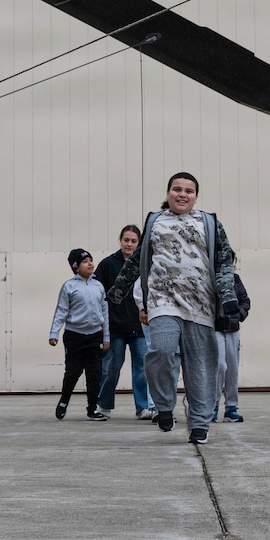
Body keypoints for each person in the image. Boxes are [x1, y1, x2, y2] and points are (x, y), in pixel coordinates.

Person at [107, 172, 242, 445]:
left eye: (188, 190)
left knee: (200, 367)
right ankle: (165, 404)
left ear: (196, 196)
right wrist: (120, 288)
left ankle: (200, 423)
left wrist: (227, 296)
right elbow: (139, 259)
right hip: (162, 300)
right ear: (168, 193)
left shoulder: (209, 222)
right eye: (177, 189)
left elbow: (224, 260)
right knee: (161, 351)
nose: (182, 194)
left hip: (200, 305)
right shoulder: (155, 221)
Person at [95, 225, 157, 419]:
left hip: (140, 328)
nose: (129, 244)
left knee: (142, 369)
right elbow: (98, 294)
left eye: (133, 241)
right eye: (126, 240)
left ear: (139, 243)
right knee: (110, 368)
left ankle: (143, 408)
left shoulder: (147, 264)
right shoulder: (107, 265)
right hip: (115, 328)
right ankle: (103, 405)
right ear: (120, 240)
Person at [50, 248, 111, 420]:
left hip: (95, 335)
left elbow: (104, 312)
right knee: (73, 371)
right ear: (76, 267)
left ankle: (92, 408)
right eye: (85, 262)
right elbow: (61, 311)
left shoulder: (98, 286)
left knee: (95, 373)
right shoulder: (69, 286)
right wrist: (54, 333)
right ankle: (64, 400)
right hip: (74, 335)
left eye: (91, 260)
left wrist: (106, 337)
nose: (90, 263)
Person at [214, 269, 251, 423]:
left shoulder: (235, 279)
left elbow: (245, 302)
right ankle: (212, 406)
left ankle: (231, 408)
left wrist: (239, 315)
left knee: (233, 368)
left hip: (232, 329)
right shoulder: (209, 278)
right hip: (215, 329)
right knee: (220, 366)